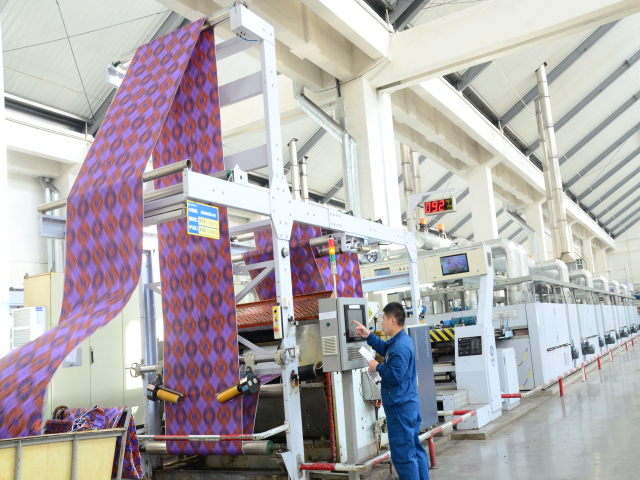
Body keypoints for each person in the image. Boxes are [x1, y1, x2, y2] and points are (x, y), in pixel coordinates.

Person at [353, 302, 429, 480]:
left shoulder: (400, 346)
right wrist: (368, 336)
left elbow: (395, 375)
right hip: (408, 406)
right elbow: (386, 349)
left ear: (392, 320)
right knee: (414, 450)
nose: (382, 323)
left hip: (400, 410)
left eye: (384, 319)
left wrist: (377, 367)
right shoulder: (399, 341)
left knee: (404, 457)